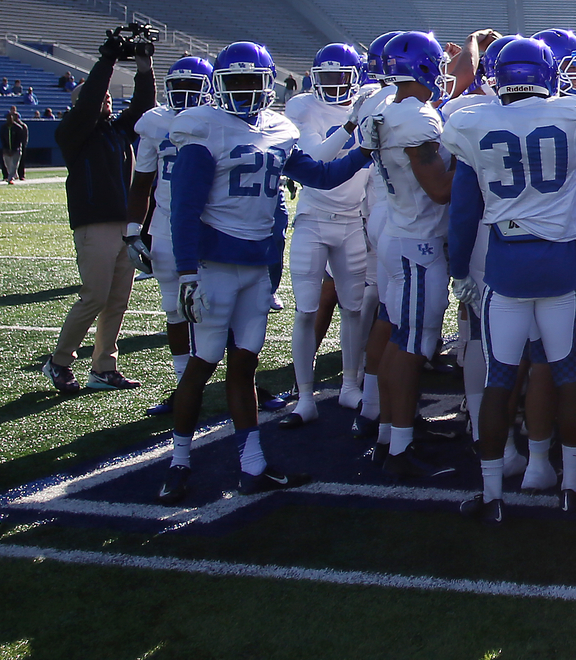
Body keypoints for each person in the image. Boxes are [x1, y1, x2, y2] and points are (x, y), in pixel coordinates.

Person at [155, 42, 373, 504]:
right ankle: (178, 460)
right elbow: (184, 208)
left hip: (257, 265)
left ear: (268, 83)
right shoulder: (202, 127)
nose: (244, 91)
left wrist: (365, 150)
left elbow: (321, 175)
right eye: (233, 82)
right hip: (215, 264)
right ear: (217, 85)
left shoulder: (278, 128)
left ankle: (252, 465)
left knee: (245, 364)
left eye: (252, 81)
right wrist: (188, 272)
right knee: (202, 362)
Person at [442, 27, 576, 520]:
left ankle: (491, 497)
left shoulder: (469, 120)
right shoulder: (571, 114)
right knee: (568, 376)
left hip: (506, 265)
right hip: (561, 265)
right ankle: (570, 486)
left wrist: (460, 268)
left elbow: (463, 209)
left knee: (500, 380)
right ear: (548, 75)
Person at [358, 33, 457, 478]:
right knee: (411, 345)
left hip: (398, 229)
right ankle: (399, 444)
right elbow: (440, 190)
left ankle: (387, 428)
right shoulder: (417, 119)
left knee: (401, 336)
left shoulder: (385, 109)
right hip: (417, 240)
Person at [42, 34, 157, 394]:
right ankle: (59, 362)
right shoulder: (73, 133)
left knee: (117, 301)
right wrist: (106, 63)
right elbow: (90, 101)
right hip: (95, 225)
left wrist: (144, 67)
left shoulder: (115, 132)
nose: (105, 98)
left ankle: (104, 366)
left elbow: (143, 107)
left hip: (122, 225)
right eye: (97, 97)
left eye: (109, 96)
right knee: (94, 296)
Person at [277, 43, 377, 426]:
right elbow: (316, 158)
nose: (335, 84)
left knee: (353, 308)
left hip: (352, 219)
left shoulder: (367, 104)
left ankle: (350, 386)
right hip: (314, 219)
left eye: (342, 76)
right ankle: (305, 396)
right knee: (306, 310)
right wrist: (353, 122)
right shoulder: (303, 107)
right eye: (328, 76)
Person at [124, 55, 217, 396]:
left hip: (211, 223)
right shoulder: (154, 122)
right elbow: (141, 182)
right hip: (166, 225)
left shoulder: (219, 120)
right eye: (177, 86)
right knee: (174, 308)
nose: (183, 93)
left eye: (192, 86)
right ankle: (182, 385)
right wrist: (133, 231)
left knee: (222, 305)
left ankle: (243, 380)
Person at [1, 106, 29, 181]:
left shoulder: (20, 127)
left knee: (17, 163)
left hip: (17, 147)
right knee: (7, 164)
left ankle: (13, 177)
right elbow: (2, 138)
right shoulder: (4, 127)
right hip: (7, 148)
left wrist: (21, 145)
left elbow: (21, 138)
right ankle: (9, 175)